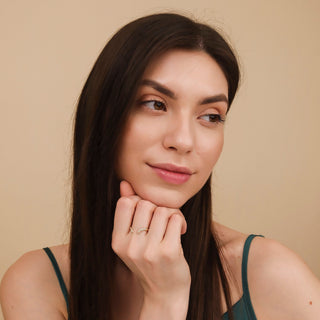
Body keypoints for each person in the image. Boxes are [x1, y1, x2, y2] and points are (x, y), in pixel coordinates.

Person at [0, 12, 319, 320]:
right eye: (156, 104)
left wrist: (167, 296)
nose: (183, 140)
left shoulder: (268, 273)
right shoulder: (38, 282)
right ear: (104, 117)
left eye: (210, 116)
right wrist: (164, 303)